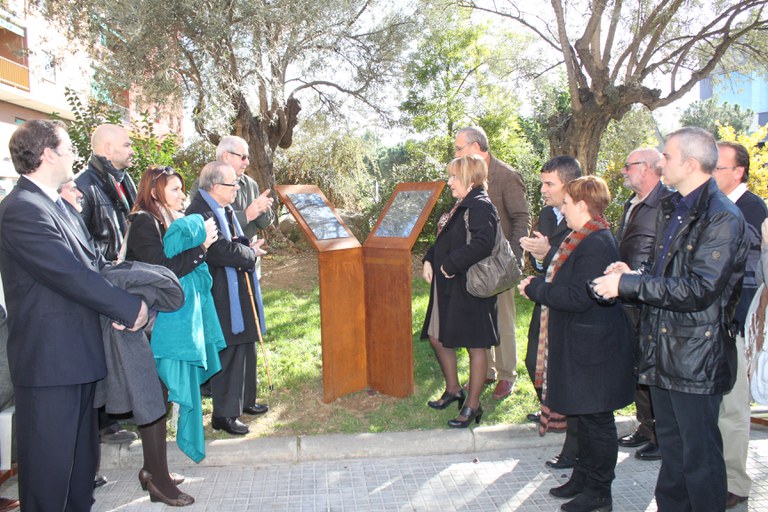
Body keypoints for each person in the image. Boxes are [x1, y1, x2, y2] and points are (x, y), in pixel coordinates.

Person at [592, 127, 749, 512]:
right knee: (674, 455)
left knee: (700, 459)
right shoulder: (673, 206)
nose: (661, 162)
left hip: (696, 355)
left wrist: (629, 285)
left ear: (691, 164)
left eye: (667, 156)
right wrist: (634, 273)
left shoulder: (721, 216)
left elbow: (700, 289)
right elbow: (666, 272)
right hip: (664, 348)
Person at [0, 119, 148, 511]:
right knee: (50, 474)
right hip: (50, 365)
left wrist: (135, 289)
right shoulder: (21, 209)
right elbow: (69, 274)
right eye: (68, 148)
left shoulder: (55, 204)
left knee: (80, 471)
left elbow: (93, 264)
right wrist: (128, 307)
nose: (73, 155)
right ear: (48, 154)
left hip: (77, 358)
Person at [518, 176, 633, 512]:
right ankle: (582, 477)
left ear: (582, 205)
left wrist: (535, 289)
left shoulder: (596, 242)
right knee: (582, 417)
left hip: (593, 349)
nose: (562, 209)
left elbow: (579, 296)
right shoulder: (582, 236)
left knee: (597, 421)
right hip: (582, 345)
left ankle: (599, 492)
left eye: (567, 203)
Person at [122, 165, 222, 504]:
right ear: (154, 191)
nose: (182, 195)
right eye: (174, 189)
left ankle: (152, 471)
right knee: (154, 400)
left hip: (159, 323)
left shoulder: (162, 219)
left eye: (181, 188)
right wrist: (201, 248)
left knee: (160, 398)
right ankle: (159, 481)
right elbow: (161, 272)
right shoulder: (143, 222)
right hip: (146, 326)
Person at [190, 135, 272, 416]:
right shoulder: (201, 210)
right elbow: (219, 250)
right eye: (232, 185)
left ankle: (246, 400)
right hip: (220, 288)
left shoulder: (223, 208)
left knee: (246, 341)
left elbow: (236, 239)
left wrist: (248, 247)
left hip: (238, 282)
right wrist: (249, 253)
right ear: (215, 187)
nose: (237, 187)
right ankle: (225, 414)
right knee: (230, 348)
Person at [421, 154, 498, 428]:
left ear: (470, 178)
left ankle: (473, 405)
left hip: (470, 286)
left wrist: (450, 264)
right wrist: (429, 259)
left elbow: (483, 244)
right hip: (448, 285)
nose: (450, 181)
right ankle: (454, 390)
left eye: (454, 176)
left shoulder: (480, 205)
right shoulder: (461, 204)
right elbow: (443, 239)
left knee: (476, 344)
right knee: (436, 336)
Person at [75, 123, 140, 446]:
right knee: (102, 351)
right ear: (107, 149)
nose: (132, 150)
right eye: (126, 145)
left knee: (118, 349)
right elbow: (79, 240)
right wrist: (102, 269)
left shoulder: (124, 181)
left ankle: (116, 414)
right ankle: (101, 424)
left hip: (122, 276)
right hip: (101, 282)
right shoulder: (84, 187)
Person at [454, 127, 529, 400]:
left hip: (499, 264)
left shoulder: (506, 175)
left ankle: (507, 375)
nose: (456, 153)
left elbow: (521, 218)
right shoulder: (466, 175)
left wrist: (514, 257)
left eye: (459, 148)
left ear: (476, 147)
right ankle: (485, 370)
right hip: (473, 263)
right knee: (478, 318)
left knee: (503, 320)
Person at [713, 141, 767, 508]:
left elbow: (750, 274)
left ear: (738, 172)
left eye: (718, 166)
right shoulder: (716, 206)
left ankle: (735, 482)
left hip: (739, 324)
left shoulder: (752, 209)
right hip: (716, 323)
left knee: (733, 409)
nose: (711, 172)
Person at [519, 156, 582, 470]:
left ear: (568, 185)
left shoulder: (585, 217)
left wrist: (548, 253)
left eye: (549, 184)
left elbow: (581, 263)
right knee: (534, 361)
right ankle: (553, 410)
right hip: (546, 300)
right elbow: (543, 264)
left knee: (567, 373)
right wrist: (539, 257)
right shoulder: (546, 214)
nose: (542, 190)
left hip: (569, 307)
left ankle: (573, 439)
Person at [614, 148, 669, 462]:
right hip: (626, 293)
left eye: (628, 165)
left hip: (649, 296)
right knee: (635, 364)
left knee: (650, 367)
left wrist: (637, 276)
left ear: (647, 168)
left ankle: (662, 435)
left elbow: (663, 254)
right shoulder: (632, 202)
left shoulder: (665, 203)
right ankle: (645, 427)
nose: (624, 171)